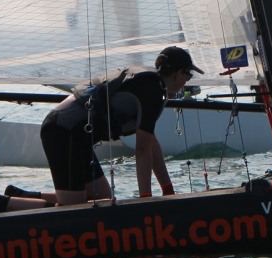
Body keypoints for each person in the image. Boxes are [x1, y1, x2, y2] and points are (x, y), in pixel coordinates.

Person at [37, 45, 203, 205]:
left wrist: (168, 190)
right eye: (188, 76)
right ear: (178, 74)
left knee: (101, 197)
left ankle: (26, 196)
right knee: (75, 205)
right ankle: (20, 202)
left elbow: (151, 144)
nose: (187, 81)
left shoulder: (151, 85)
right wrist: (145, 200)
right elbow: (142, 149)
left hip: (77, 137)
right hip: (63, 131)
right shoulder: (152, 90)